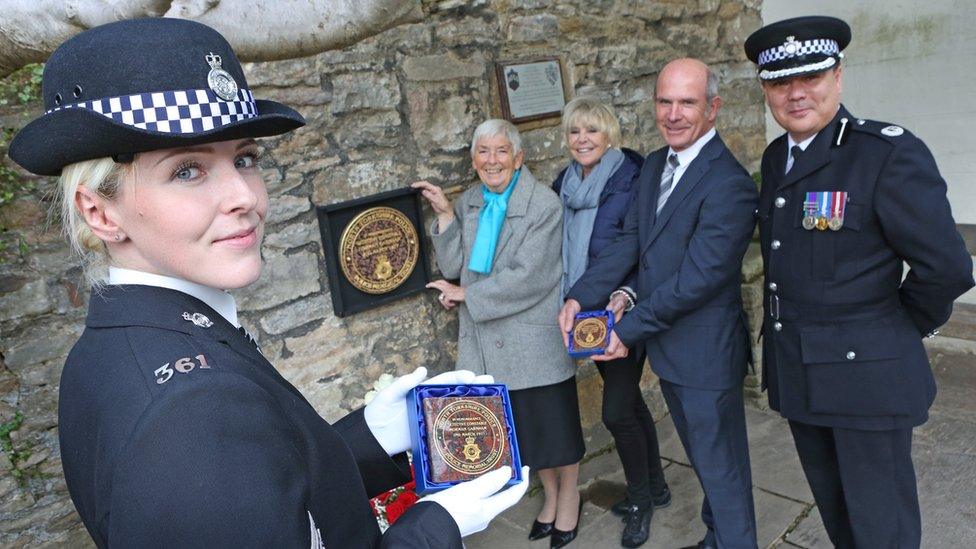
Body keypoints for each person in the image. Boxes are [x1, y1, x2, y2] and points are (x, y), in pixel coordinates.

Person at [7, 18, 529, 548]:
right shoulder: (188, 420)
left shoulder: (121, 342)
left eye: (246, 158)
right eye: (187, 170)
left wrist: (369, 436)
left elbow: (267, 491)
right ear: (99, 212)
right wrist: (435, 528)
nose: (244, 197)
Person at [744, 16, 974, 548]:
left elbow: (948, 268)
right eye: (781, 82)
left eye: (812, 78)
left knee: (881, 527)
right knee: (840, 517)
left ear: (838, 77)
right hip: (800, 373)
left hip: (865, 381)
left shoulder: (886, 153)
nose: (797, 94)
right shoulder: (778, 156)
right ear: (765, 89)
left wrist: (894, 329)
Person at [558, 59, 759, 549]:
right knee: (707, 465)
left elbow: (698, 280)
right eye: (664, 101)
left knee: (724, 472)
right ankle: (717, 539)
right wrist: (581, 294)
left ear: (713, 108)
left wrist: (621, 332)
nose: (673, 113)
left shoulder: (729, 183)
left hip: (707, 356)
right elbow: (631, 241)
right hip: (671, 352)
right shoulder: (652, 165)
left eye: (686, 102)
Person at [412, 119, 585, 548]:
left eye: (501, 151)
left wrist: (467, 295)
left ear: (519, 158)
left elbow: (531, 277)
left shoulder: (543, 205)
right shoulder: (471, 201)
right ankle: (550, 499)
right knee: (529, 435)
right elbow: (455, 266)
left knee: (558, 432)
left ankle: (571, 499)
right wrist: (446, 216)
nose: (492, 160)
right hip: (489, 345)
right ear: (474, 161)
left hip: (533, 340)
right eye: (483, 152)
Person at [551, 96, 670, 548]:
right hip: (583, 313)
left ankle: (639, 501)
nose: (582, 139)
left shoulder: (632, 178)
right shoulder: (564, 183)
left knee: (616, 411)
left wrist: (628, 293)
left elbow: (642, 245)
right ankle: (656, 486)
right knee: (631, 403)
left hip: (623, 310)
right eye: (574, 131)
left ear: (610, 135)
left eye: (592, 130)